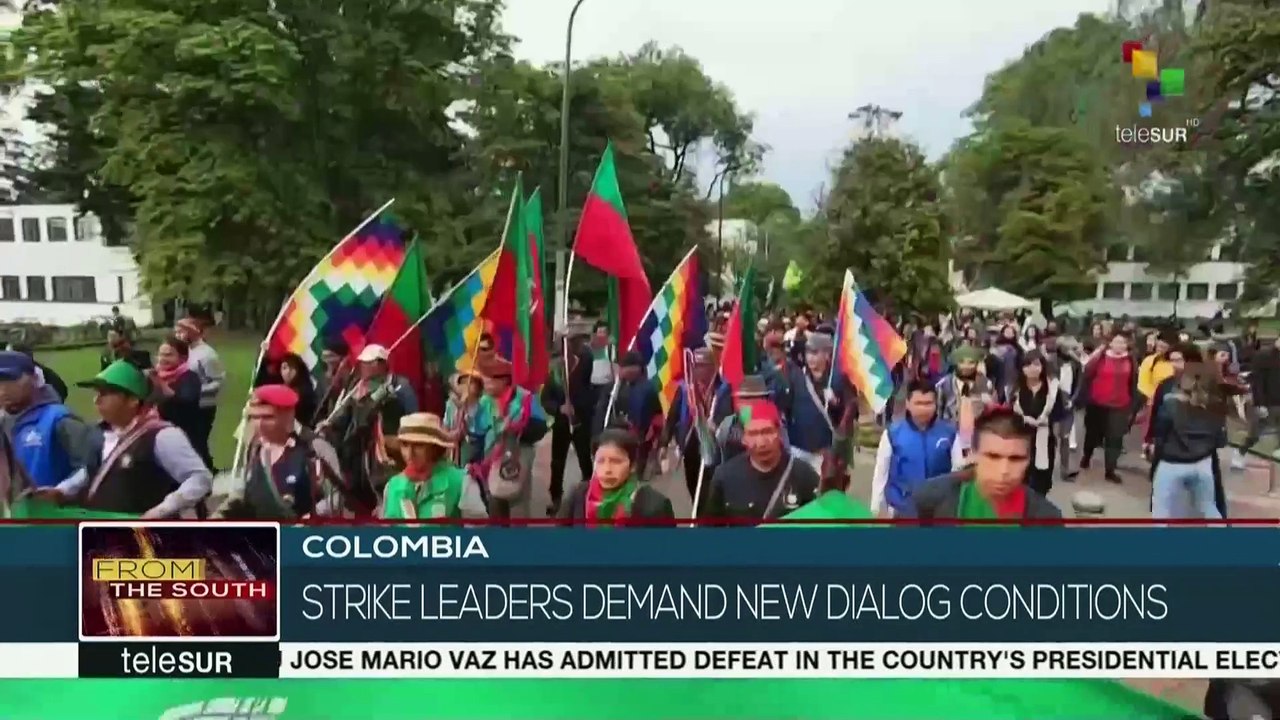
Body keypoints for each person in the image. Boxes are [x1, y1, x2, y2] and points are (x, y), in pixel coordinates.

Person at [35, 360, 211, 517]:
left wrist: (161, 511)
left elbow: (199, 478)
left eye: (105, 393)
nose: (97, 400)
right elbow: (92, 471)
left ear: (133, 399)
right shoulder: (99, 433)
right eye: (96, 393)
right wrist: (61, 491)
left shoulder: (162, 435)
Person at [901, 407, 1062, 521]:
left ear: (1028, 460)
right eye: (993, 456)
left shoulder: (1046, 519)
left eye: (1015, 459)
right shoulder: (926, 501)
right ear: (973, 453)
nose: (1003, 470)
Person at [214, 385, 342, 519]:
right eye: (256, 417)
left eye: (268, 417)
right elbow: (247, 491)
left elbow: (336, 497)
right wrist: (223, 513)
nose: (260, 424)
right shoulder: (255, 448)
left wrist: (309, 518)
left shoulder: (315, 447)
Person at [323, 343, 415, 514]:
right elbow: (345, 413)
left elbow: (411, 414)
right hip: (360, 447)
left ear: (380, 364)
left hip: (389, 449)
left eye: (368, 363)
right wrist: (331, 425)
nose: (363, 367)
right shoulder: (357, 386)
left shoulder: (401, 385)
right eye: (363, 363)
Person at [704, 393, 820, 523]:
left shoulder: (803, 475)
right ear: (744, 438)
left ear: (779, 433)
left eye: (767, 431)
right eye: (753, 433)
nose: (761, 443)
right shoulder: (724, 477)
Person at [469, 355, 547, 519]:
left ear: (504, 380)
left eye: (489, 381)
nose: (486, 385)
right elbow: (477, 434)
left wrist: (515, 430)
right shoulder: (483, 402)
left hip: (518, 457)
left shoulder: (525, 399)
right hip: (491, 459)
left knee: (517, 502)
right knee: (495, 502)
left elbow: (541, 428)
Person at [0, 351, 92, 488]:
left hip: (54, 508)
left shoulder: (60, 419)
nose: (3, 390)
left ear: (34, 378)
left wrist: (63, 491)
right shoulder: (3, 423)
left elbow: (93, 467)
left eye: (11, 379)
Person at [870, 379, 960, 518]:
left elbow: (957, 470)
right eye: (919, 403)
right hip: (903, 508)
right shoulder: (892, 434)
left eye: (928, 403)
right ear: (908, 404)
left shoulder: (950, 433)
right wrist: (876, 508)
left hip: (940, 510)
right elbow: (881, 473)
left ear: (936, 404)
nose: (924, 408)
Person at [1149, 363, 1227, 520]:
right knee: (1208, 506)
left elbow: (1160, 432)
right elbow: (1221, 442)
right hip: (1203, 463)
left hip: (1172, 462)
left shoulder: (1170, 405)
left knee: (1161, 508)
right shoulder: (1217, 408)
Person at [381, 413, 487, 520]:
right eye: (405, 445)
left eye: (419, 445)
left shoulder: (461, 482)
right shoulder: (392, 487)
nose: (409, 454)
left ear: (434, 448)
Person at [558, 428, 675, 524]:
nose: (607, 469)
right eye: (600, 461)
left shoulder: (654, 506)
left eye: (616, 461)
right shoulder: (578, 496)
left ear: (633, 465)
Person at [781, 332, 856, 477]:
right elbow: (786, 408)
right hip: (798, 449)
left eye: (815, 353)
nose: (810, 358)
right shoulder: (796, 377)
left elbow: (851, 409)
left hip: (826, 453)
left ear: (827, 354)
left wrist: (836, 403)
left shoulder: (839, 379)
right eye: (808, 352)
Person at [660, 348, 723, 505]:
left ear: (713, 367)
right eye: (695, 365)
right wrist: (663, 443)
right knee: (693, 485)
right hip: (690, 444)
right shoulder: (685, 389)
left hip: (715, 446)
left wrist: (717, 426)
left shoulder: (721, 389)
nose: (698, 370)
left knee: (711, 488)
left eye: (703, 365)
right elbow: (672, 417)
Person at [543, 326, 594, 513]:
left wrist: (577, 406)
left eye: (579, 341)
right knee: (557, 463)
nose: (577, 344)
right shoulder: (554, 371)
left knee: (585, 460)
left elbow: (591, 392)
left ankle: (591, 495)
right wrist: (559, 408)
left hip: (582, 421)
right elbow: (546, 399)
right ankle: (555, 497)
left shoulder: (587, 361)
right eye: (572, 341)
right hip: (562, 424)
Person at [1079, 333, 1139, 483]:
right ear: (1110, 343)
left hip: (1120, 405)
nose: (1119, 345)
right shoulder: (1100, 357)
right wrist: (1097, 353)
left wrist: (1133, 405)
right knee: (1092, 434)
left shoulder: (1130, 360)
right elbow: (1087, 372)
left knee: (1115, 438)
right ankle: (1087, 456)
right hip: (1097, 403)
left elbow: (1133, 382)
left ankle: (1110, 470)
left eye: (1122, 342)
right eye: (1116, 342)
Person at [1009, 350, 1071, 496]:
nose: (1032, 368)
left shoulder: (1053, 389)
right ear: (1022, 368)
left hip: (1045, 437)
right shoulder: (1015, 390)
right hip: (1021, 437)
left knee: (1042, 477)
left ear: (1043, 366)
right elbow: (1009, 414)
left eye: (1036, 364)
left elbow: (1059, 415)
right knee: (1021, 475)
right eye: (1027, 365)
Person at [594, 351, 663, 477]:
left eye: (630, 367)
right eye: (624, 367)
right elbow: (602, 411)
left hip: (640, 437)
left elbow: (656, 415)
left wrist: (654, 437)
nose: (626, 371)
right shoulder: (612, 388)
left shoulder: (647, 389)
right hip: (614, 435)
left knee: (634, 472)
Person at [174, 316, 224, 471]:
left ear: (193, 332)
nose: (178, 335)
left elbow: (217, 381)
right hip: (187, 405)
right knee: (189, 441)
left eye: (181, 331)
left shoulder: (207, 355)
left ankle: (207, 471)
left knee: (198, 441)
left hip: (203, 406)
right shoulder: (186, 352)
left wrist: (195, 391)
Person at [149, 336, 205, 463]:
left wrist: (162, 385)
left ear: (182, 357)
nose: (163, 359)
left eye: (168, 355)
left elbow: (185, 402)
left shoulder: (190, 377)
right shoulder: (154, 376)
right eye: (160, 354)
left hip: (185, 439)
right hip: (158, 438)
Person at [1235, 335, 1280, 471]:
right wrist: (1260, 403)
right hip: (1267, 402)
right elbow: (1257, 381)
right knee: (1255, 433)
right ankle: (1239, 454)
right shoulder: (1263, 356)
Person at [313, 337, 352, 425]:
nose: (327, 360)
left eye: (330, 356)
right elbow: (320, 401)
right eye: (325, 357)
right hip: (323, 421)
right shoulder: (323, 378)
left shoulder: (349, 377)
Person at [278, 353, 318, 429]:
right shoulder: (286, 388)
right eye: (282, 368)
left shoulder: (302, 392)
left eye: (285, 367)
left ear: (294, 370)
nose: (282, 372)